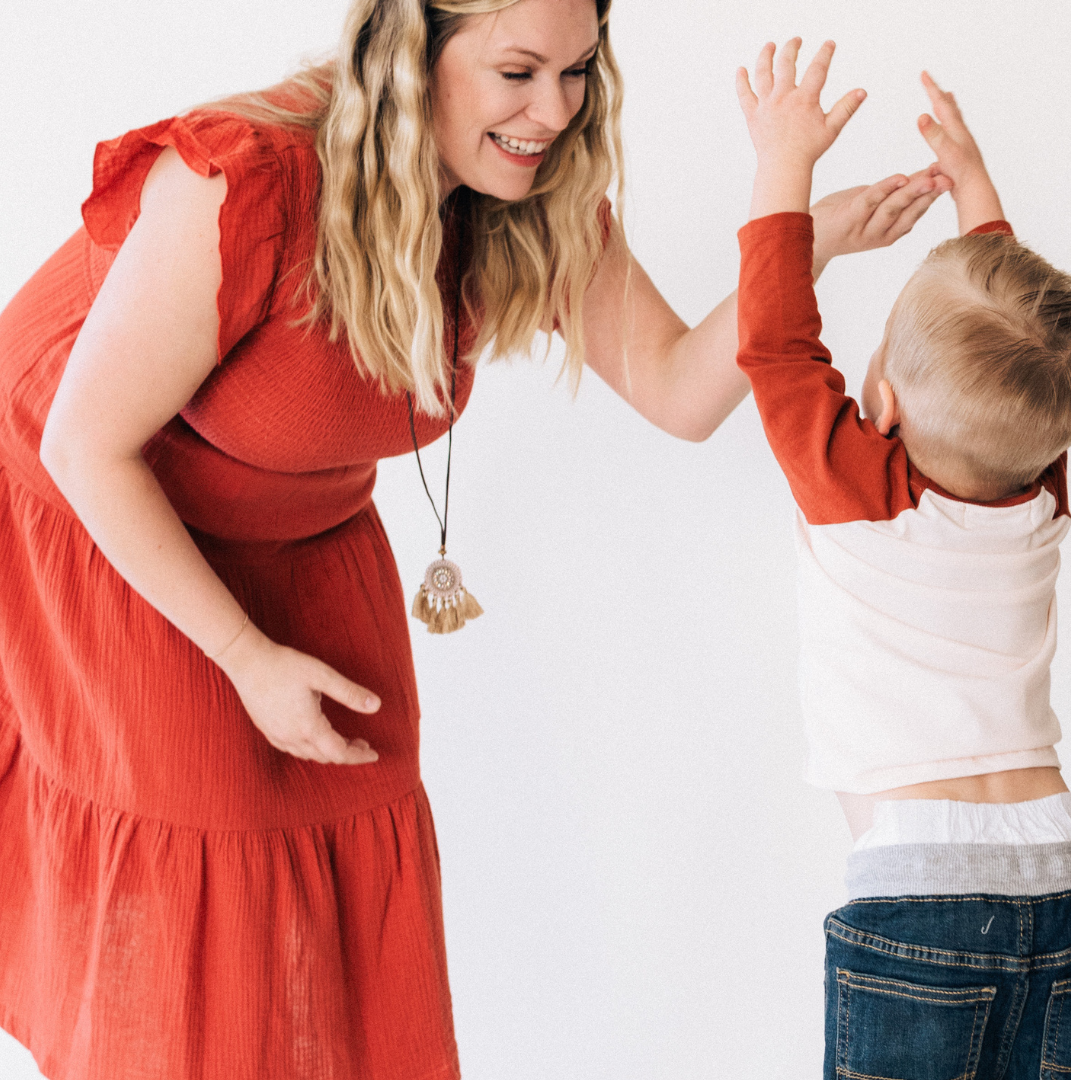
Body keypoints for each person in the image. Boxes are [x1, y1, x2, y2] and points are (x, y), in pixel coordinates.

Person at [0, 3, 947, 1078]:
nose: (553, 112)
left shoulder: (530, 199)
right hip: (97, 518)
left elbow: (680, 389)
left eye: (579, 72)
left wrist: (800, 237)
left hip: (300, 535)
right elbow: (86, 447)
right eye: (518, 71)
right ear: (411, 51)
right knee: (193, 876)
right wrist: (243, 658)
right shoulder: (246, 177)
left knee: (342, 854)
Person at [734, 37, 1071, 1074]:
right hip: (1061, 875)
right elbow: (1034, 367)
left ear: (879, 403)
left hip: (920, 897)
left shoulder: (858, 490)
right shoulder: (1039, 499)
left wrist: (782, 158)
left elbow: (775, 343)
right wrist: (981, 197)